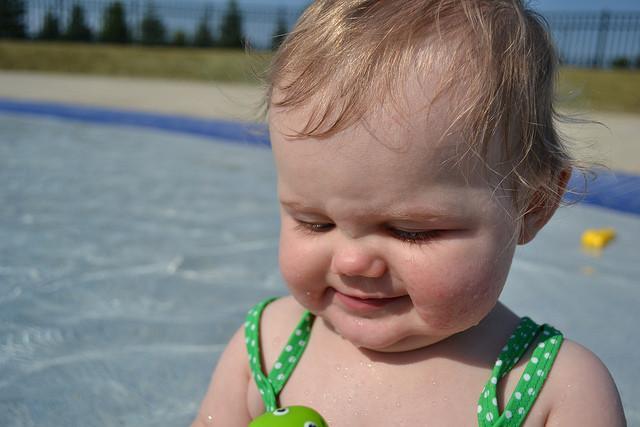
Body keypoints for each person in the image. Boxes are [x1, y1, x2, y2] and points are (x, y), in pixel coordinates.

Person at [192, 0, 626, 425]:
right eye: (314, 223)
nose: (351, 261)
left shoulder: (555, 392)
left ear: (532, 206)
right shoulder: (265, 348)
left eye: (410, 231)